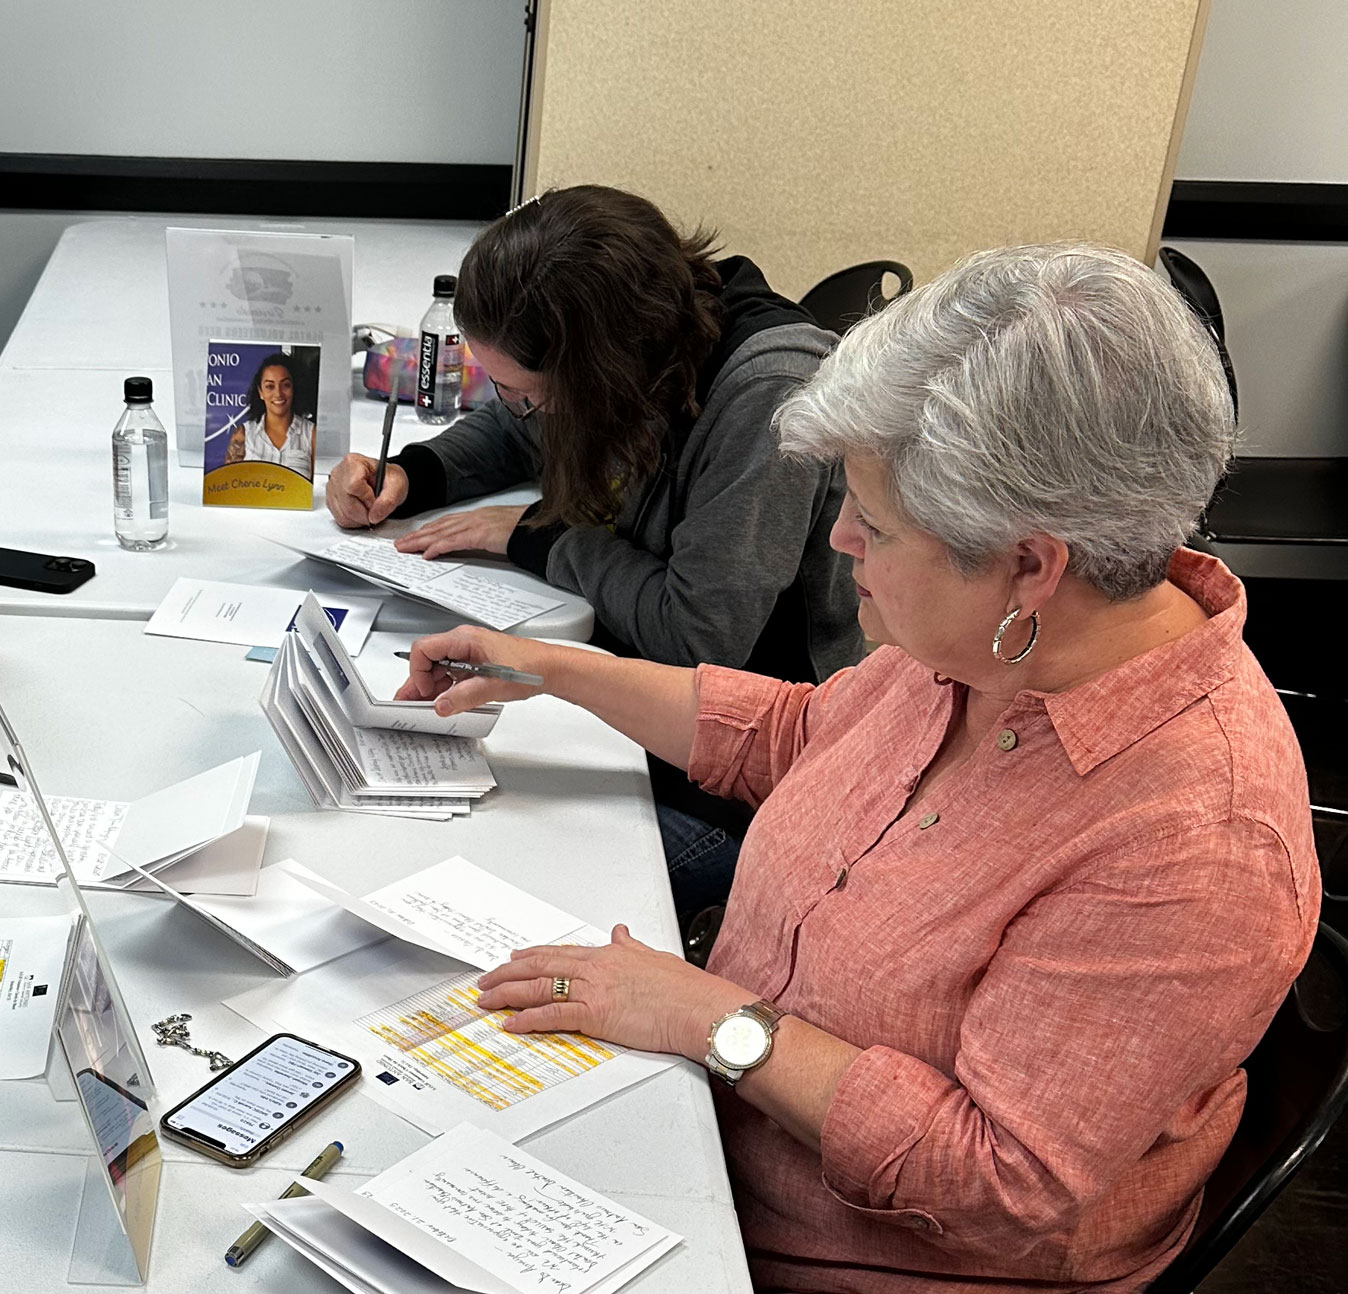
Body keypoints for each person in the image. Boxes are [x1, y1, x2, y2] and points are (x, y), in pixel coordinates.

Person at [401, 244, 1320, 1293]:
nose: (837, 538)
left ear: (1029, 562)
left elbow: (999, 1183)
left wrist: (707, 1019)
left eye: (873, 524)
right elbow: (797, 735)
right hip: (707, 1132)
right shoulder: (992, 645)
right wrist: (555, 668)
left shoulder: (1195, 839)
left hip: (843, 1256)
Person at [329, 185, 863, 906]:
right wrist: (411, 474)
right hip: (635, 693)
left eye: (525, 390)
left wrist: (539, 537)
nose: (515, 406)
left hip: (744, 789)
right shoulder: (635, 334)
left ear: (600, 374)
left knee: (461, 872)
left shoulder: (767, 396)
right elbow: (519, 425)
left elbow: (695, 638)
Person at [222, 354, 316, 472]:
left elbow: (319, 487)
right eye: (270, 386)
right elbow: (229, 484)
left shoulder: (311, 434)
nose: (278, 393)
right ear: (260, 392)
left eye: (285, 385)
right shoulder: (244, 434)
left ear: (294, 388)